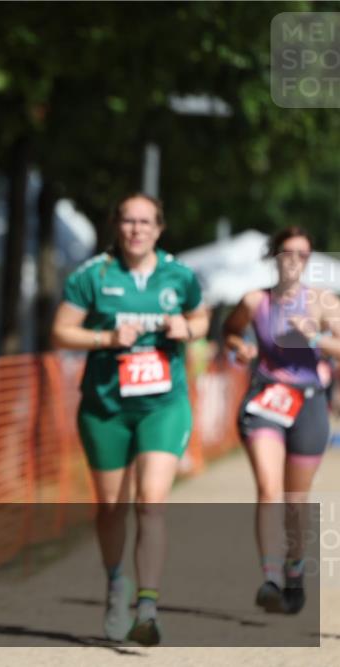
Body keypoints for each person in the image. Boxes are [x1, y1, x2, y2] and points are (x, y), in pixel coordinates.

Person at [51, 193, 209, 646]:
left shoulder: (178, 276)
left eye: (145, 222)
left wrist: (189, 329)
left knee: (151, 501)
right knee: (111, 507)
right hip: (106, 407)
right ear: (116, 227)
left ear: (159, 229)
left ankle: (148, 605)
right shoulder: (93, 275)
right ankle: (116, 584)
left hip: (163, 404)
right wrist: (106, 337)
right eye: (128, 221)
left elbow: (200, 315)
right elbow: (61, 330)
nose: (137, 229)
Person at [223, 227, 340, 615]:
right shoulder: (255, 300)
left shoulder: (322, 302)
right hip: (267, 402)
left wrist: (316, 339)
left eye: (303, 255)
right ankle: (270, 579)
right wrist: (240, 347)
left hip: (308, 404)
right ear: (273, 256)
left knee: (295, 502)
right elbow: (230, 332)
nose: (294, 260)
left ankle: (294, 569)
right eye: (287, 252)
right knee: (269, 489)